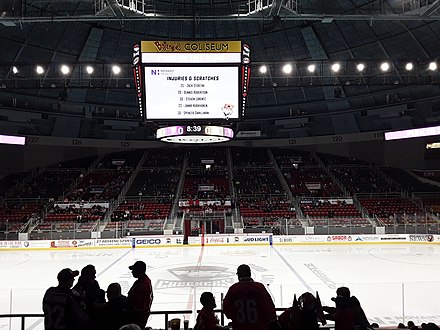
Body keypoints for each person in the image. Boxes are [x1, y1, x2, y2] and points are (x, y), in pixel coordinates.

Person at [223, 264, 279, 330]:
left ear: (238, 275)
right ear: (250, 274)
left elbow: (227, 311)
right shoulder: (259, 288)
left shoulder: (233, 289)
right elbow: (269, 309)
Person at [127, 260, 153, 329]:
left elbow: (146, 303)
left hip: (137, 317)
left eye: (134, 270)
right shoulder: (141, 281)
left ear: (140, 271)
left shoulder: (144, 284)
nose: (132, 272)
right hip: (136, 315)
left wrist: (135, 310)